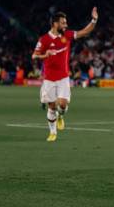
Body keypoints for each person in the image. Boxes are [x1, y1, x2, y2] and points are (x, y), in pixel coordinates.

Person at [32, 8, 98, 142]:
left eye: (65, 23)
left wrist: (94, 20)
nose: (66, 25)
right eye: (63, 23)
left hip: (63, 77)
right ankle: (52, 132)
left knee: (62, 104)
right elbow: (34, 55)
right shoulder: (44, 40)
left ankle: (60, 116)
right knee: (51, 106)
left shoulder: (66, 35)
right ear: (55, 24)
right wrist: (46, 54)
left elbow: (84, 32)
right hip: (49, 79)